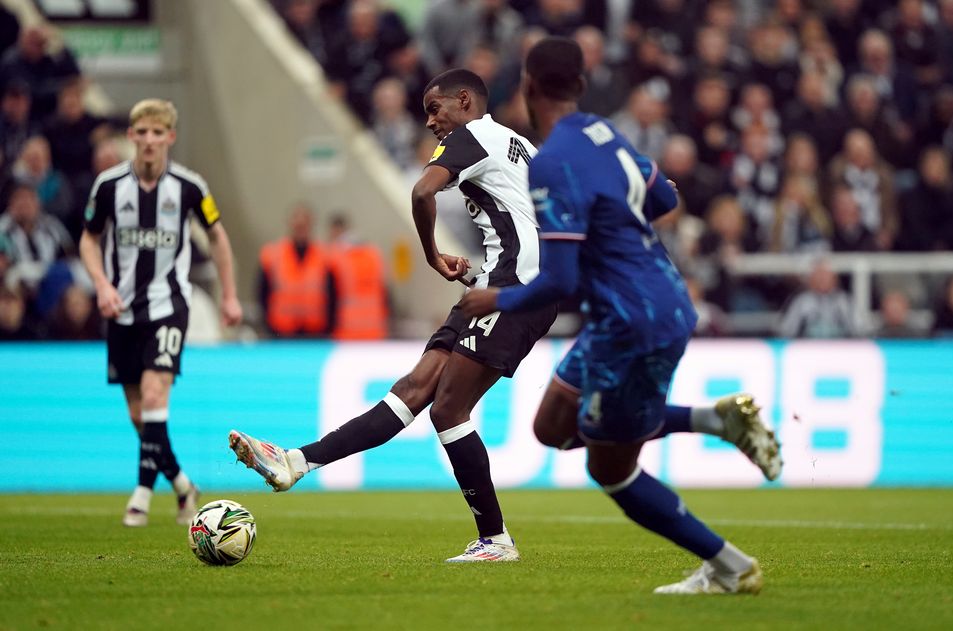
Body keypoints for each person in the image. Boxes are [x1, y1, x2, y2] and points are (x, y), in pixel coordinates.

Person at [460, 36, 771, 594]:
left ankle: (728, 566)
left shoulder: (551, 162)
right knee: (552, 426)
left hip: (632, 317)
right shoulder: (606, 135)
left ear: (527, 87)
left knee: (610, 467)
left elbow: (560, 279)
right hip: (656, 303)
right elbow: (665, 200)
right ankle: (716, 420)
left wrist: (495, 299)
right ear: (580, 86)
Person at [230, 68, 556, 563]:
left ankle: (496, 539)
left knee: (448, 409)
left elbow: (422, 192)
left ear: (464, 100)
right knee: (415, 389)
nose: (429, 122)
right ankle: (296, 462)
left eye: (434, 108)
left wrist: (431, 254)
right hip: (499, 285)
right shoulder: (517, 144)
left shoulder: (471, 135)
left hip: (514, 291)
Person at [78, 99, 243, 527]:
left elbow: (219, 238)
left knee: (155, 397)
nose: (149, 141)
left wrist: (229, 296)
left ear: (170, 138)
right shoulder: (109, 186)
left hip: (170, 307)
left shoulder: (190, 187)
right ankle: (184, 485)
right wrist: (101, 284)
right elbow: (89, 240)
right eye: (142, 133)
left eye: (158, 133)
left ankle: (141, 494)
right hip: (121, 311)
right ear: (131, 137)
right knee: (140, 415)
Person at [258, 203, 335, 338]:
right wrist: (268, 325)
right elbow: (262, 293)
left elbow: (334, 294)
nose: (300, 228)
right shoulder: (273, 255)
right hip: (281, 332)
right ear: (290, 224)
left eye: (304, 224)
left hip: (315, 333)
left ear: (311, 225)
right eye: (297, 224)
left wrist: (329, 328)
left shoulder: (325, 256)